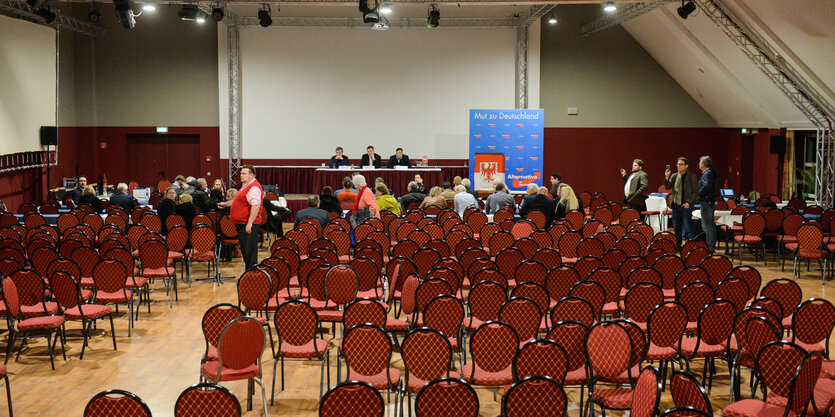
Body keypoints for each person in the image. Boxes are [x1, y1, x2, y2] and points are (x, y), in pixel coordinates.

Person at [217, 165, 263, 271]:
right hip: (242, 224)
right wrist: (225, 204)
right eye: (241, 173)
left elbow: (255, 205)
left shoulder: (254, 187)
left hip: (248, 224)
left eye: (244, 173)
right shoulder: (245, 186)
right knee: (246, 253)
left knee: (250, 254)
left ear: (251, 175)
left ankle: (251, 278)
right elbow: (238, 201)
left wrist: (250, 223)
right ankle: (249, 276)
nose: (241, 175)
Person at [664, 157, 699, 248]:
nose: (678, 166)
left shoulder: (692, 176)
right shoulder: (674, 176)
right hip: (676, 205)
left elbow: (695, 192)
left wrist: (688, 203)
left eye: (680, 164)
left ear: (686, 166)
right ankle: (678, 246)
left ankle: (689, 248)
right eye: (677, 164)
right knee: (676, 228)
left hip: (685, 206)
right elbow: (668, 187)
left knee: (688, 229)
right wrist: (667, 177)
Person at [698, 155, 718, 253]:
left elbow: (706, 186)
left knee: (707, 226)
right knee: (710, 225)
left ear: (703, 164)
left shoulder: (707, 174)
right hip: (711, 201)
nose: (699, 164)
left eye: (700, 162)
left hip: (706, 202)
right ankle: (711, 246)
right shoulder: (712, 173)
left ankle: (709, 247)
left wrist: (698, 194)